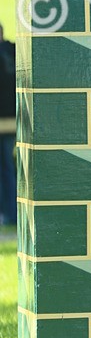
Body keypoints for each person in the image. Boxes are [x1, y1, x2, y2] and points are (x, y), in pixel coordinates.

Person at [0, 24, 15, 228]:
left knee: (5, 169)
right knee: (8, 168)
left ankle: (8, 213)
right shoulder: (13, 50)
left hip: (3, 119)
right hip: (16, 118)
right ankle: (10, 213)